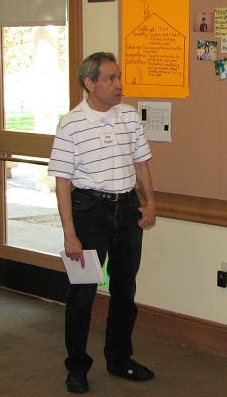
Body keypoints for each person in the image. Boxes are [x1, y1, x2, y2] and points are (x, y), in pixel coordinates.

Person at [48, 52, 157, 394]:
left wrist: (150, 202)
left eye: (119, 77)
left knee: (125, 289)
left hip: (126, 209)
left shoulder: (129, 116)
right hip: (88, 211)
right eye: (110, 79)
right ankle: (77, 367)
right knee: (82, 293)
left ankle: (120, 358)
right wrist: (70, 234)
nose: (119, 85)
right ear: (89, 83)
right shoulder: (71, 123)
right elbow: (62, 182)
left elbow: (141, 163)